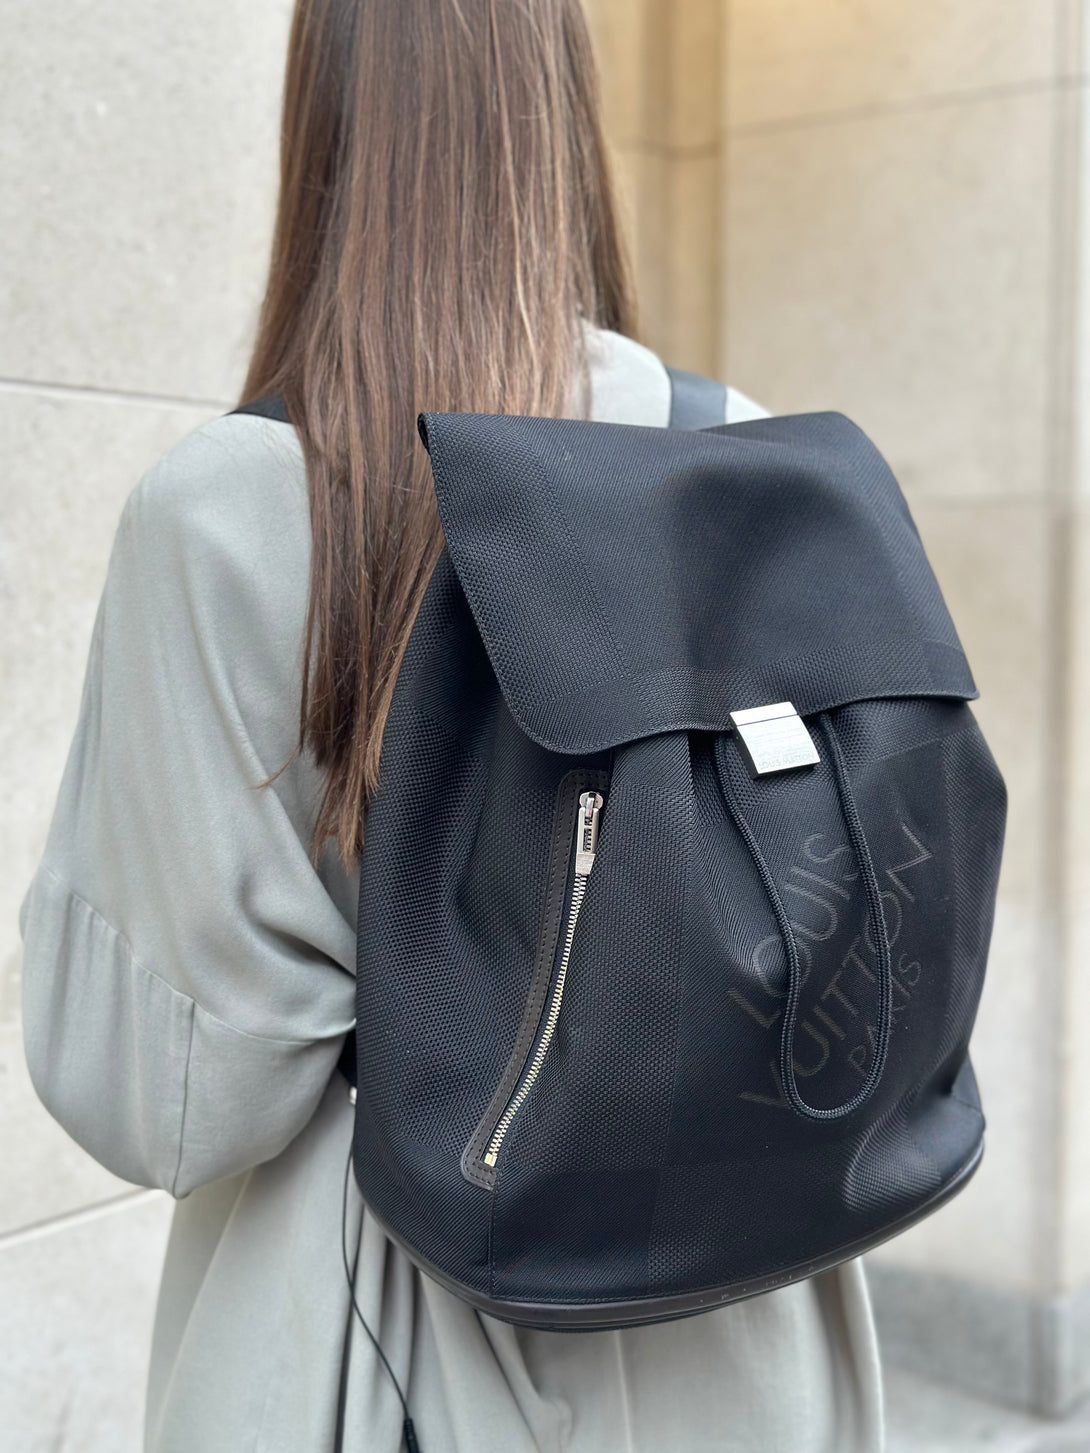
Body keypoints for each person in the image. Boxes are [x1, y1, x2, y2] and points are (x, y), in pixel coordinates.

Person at [18, 1, 884, 1449]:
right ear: (559, 114)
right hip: (736, 1324)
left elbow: (173, 1098)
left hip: (376, 1337)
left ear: (326, 115)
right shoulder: (735, 445)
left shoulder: (225, 510)